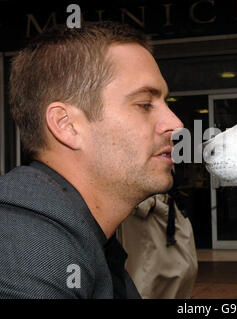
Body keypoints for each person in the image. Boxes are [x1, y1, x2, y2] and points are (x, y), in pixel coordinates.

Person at [0, 21, 183, 298]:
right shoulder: (25, 251)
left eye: (165, 103)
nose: (176, 124)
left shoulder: (87, 238)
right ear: (67, 125)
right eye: (145, 104)